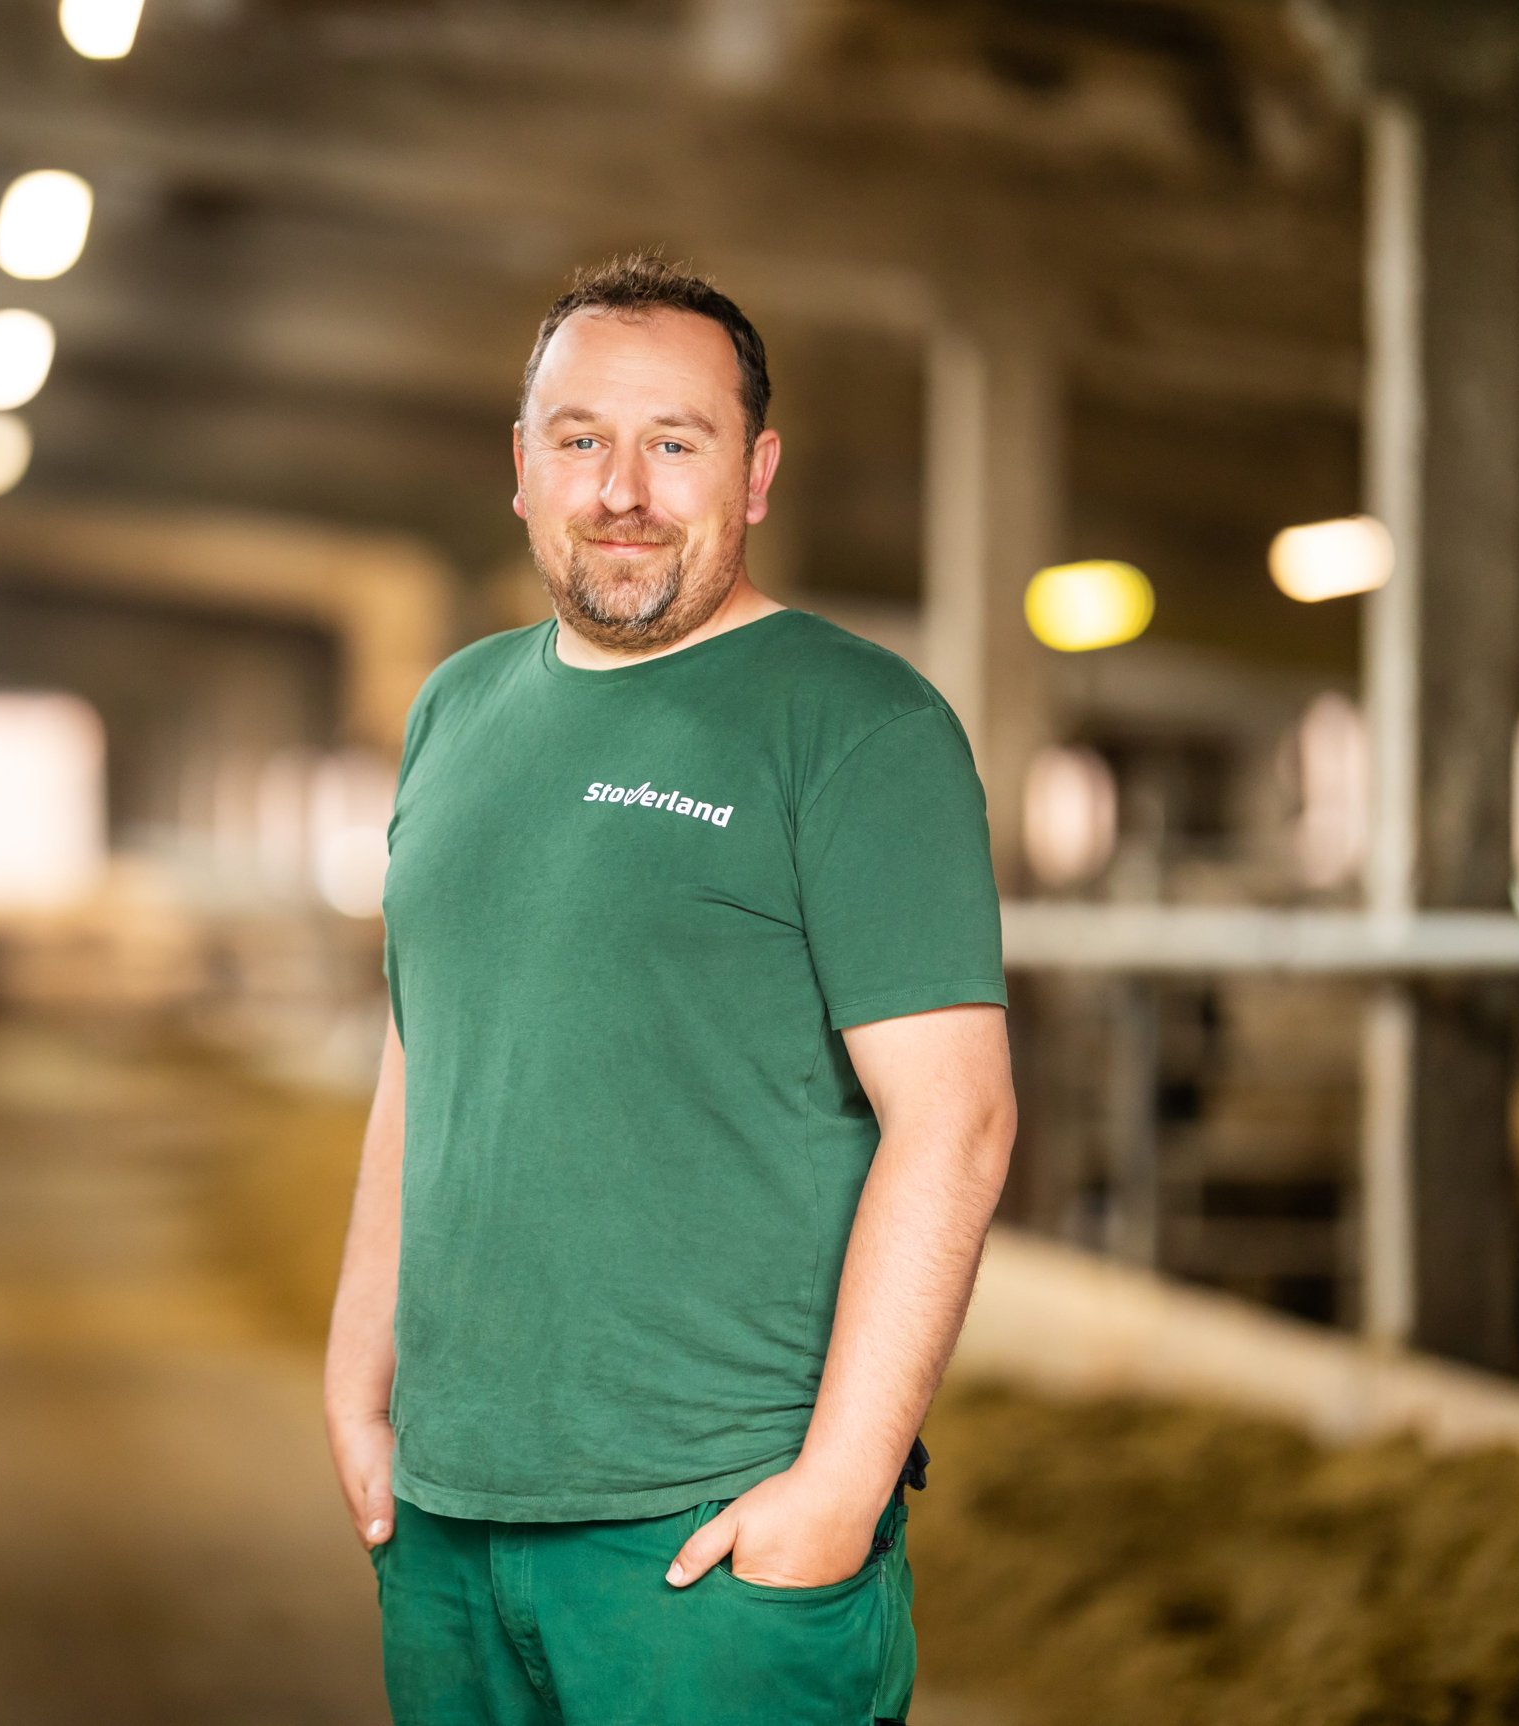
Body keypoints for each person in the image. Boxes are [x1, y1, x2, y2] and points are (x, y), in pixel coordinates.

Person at [324, 252, 1018, 1725]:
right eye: (581, 439)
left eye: (676, 442)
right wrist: (355, 1377)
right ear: (523, 467)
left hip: (710, 1536)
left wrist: (837, 1489)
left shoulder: (857, 725)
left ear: (755, 474)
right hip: (448, 1526)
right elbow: (419, 1060)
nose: (621, 487)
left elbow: (954, 1123)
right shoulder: (456, 708)